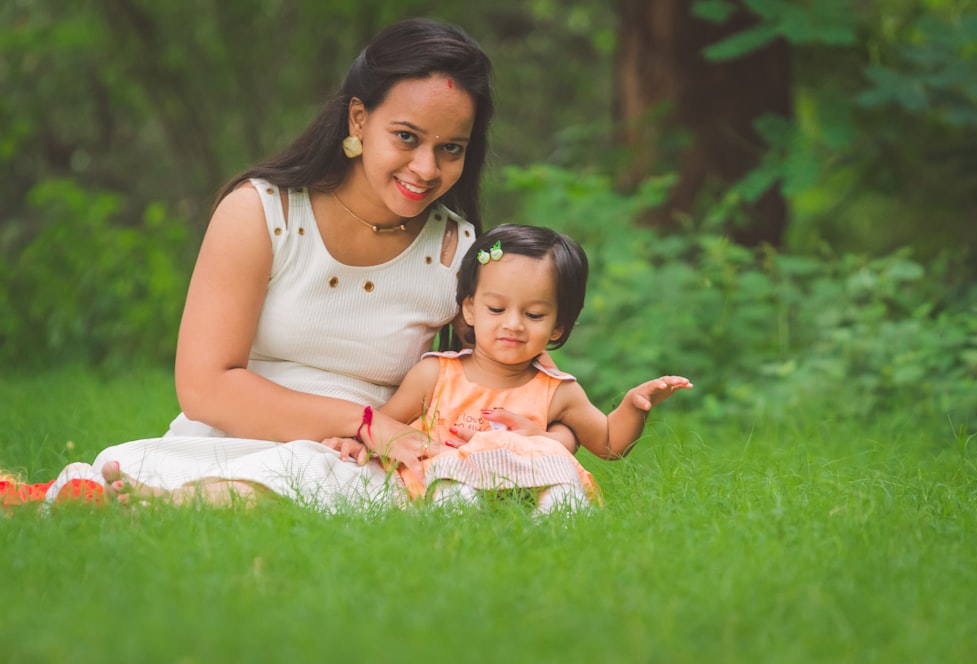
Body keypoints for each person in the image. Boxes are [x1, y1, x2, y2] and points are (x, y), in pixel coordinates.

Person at [3, 18, 575, 513]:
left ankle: (171, 507)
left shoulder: (457, 249)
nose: (426, 167)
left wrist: (558, 437)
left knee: (337, 487)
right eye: (406, 137)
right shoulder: (261, 212)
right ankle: (123, 499)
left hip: (359, 462)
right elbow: (204, 388)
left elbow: (525, 371)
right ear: (358, 121)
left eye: (451, 148)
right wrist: (364, 421)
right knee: (160, 473)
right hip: (235, 436)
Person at [338, 224, 693, 514]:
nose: (513, 324)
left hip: (526, 491)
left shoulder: (557, 390)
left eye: (534, 315)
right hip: (449, 479)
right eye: (496, 309)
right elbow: (385, 424)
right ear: (470, 309)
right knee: (453, 495)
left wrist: (633, 405)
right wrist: (359, 441)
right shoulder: (437, 374)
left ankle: (554, 535)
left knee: (564, 492)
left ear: (558, 326)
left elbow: (610, 444)